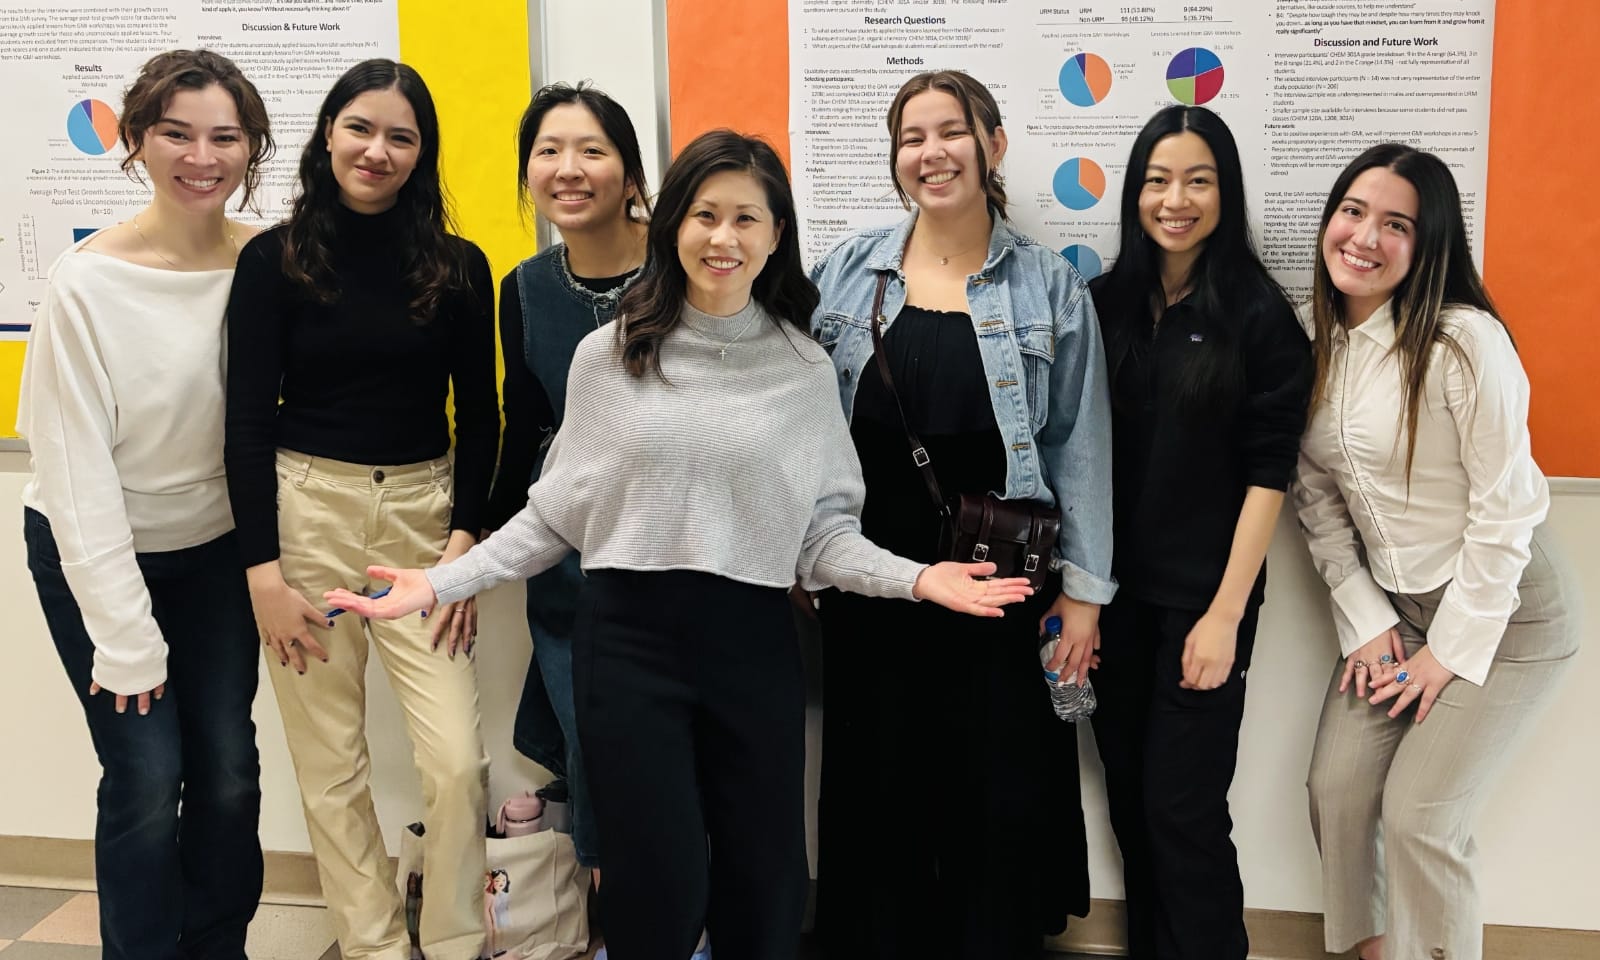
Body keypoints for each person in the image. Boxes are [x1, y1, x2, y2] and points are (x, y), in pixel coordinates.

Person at [326, 129, 1032, 960]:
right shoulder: (609, 355)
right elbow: (555, 515)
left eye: (746, 219)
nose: (723, 238)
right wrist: (443, 583)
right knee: (654, 886)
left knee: (763, 883)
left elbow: (822, 538)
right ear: (672, 227)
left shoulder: (805, 368)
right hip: (629, 644)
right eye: (703, 215)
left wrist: (918, 580)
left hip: (753, 643)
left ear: (776, 236)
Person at [806, 70, 1114, 958]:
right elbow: (797, 423)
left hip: (999, 583)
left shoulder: (1049, 287)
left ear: (993, 144)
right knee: (878, 779)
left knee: (996, 786)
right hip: (874, 580)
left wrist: (1085, 595)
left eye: (951, 131)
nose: (931, 152)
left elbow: (1079, 447)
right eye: (912, 136)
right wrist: (803, 555)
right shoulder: (845, 270)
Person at [223, 58, 498, 960]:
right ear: (328, 134)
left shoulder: (459, 266)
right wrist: (262, 573)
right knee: (330, 761)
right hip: (307, 512)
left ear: (423, 154)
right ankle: (374, 943)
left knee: (456, 760)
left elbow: (482, 417)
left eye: (401, 136)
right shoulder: (274, 259)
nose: (377, 150)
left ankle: (456, 940)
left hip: (424, 518)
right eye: (360, 128)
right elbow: (245, 422)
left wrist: (463, 554)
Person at [17, 49, 272, 960]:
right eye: (175, 132)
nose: (201, 156)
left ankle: (216, 947)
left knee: (229, 773)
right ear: (135, 140)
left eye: (224, 136)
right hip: (93, 548)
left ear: (251, 147)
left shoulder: (269, 261)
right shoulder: (86, 283)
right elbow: (76, 476)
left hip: (214, 548)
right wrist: (125, 638)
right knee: (143, 772)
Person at [1294, 143, 1579, 960]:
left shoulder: (1464, 342)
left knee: (1420, 815)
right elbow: (1316, 497)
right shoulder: (1320, 347)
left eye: (1396, 225)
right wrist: (1362, 616)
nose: (1364, 237)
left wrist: (1447, 652)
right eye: (1353, 211)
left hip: (1507, 613)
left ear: (1429, 245)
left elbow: (1508, 509)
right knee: (1339, 793)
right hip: (1397, 613)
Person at [1086, 105, 1311, 960]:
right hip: (1108, 600)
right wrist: (1081, 598)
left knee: (1182, 806)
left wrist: (1224, 615)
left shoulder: (1258, 317)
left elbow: (1269, 473)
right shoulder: (1102, 304)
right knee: (1132, 796)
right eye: (1157, 180)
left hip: (1202, 604)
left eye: (1198, 180)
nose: (1175, 199)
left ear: (1227, 192)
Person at [484, 81, 652, 886]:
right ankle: (613, 911)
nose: (567, 169)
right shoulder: (523, 288)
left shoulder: (685, 264)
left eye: (591, 149)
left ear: (630, 171)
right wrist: (477, 548)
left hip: (676, 557)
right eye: (547, 152)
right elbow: (523, 429)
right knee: (593, 748)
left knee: (672, 755)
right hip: (570, 565)